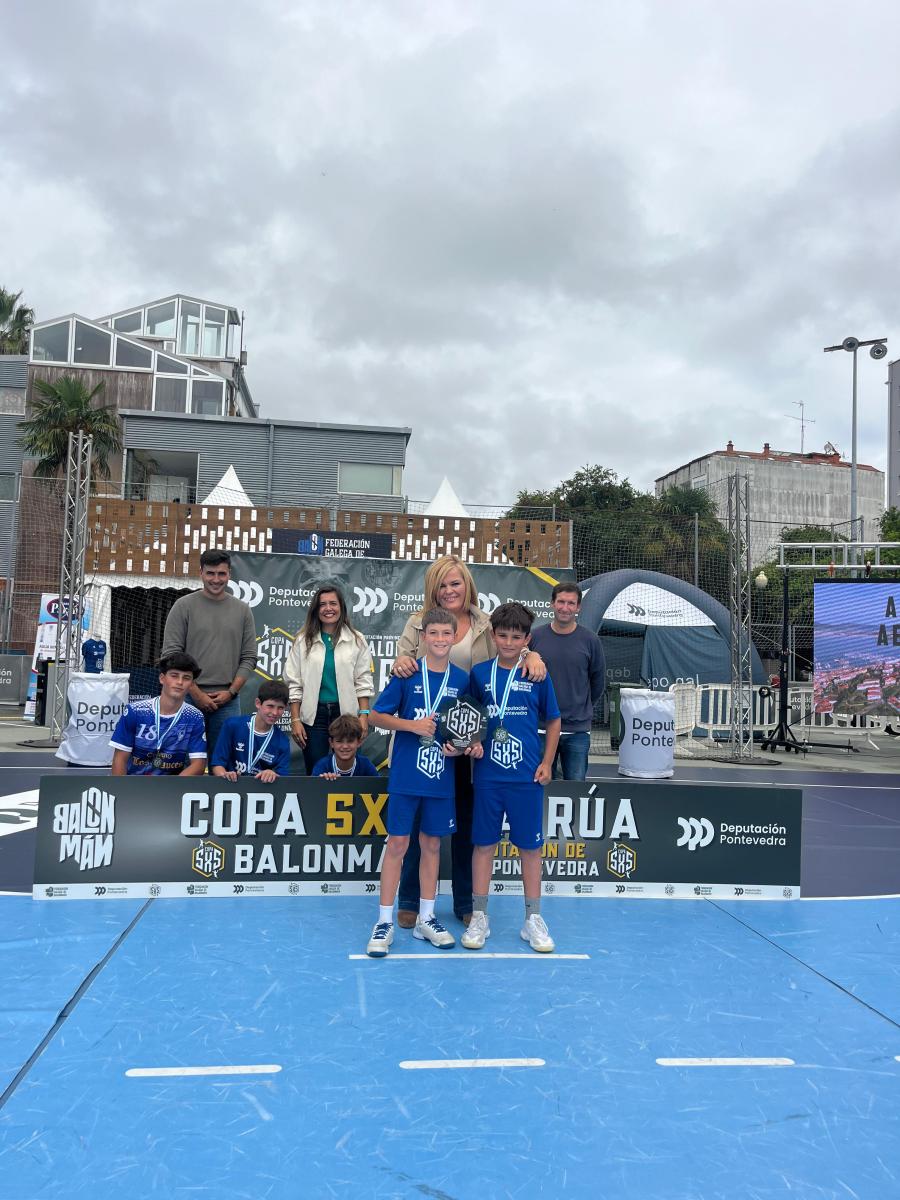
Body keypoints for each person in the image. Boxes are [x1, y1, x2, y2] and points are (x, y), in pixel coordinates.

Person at [391, 555, 546, 928]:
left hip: (473, 744)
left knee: (464, 823)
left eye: (455, 583)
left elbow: (512, 651)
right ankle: (410, 899)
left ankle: (466, 902)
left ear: (467, 586)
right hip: (427, 743)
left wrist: (534, 654)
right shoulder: (417, 622)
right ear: (433, 589)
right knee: (417, 827)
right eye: (442, 585)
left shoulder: (485, 623)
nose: (449, 591)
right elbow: (402, 662)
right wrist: (399, 662)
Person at [366, 609, 473, 957]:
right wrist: (412, 726)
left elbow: (466, 728)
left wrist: (460, 747)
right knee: (398, 844)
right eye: (434, 633)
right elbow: (376, 715)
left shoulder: (462, 680)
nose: (440, 639)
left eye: (446, 633)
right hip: (406, 775)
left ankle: (426, 918)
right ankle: (384, 921)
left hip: (441, 777)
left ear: (454, 637)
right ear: (423, 636)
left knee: (432, 845)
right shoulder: (407, 673)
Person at [464, 602, 561, 953]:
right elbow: (469, 718)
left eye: (516, 637)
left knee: (531, 848)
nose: (508, 642)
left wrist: (547, 762)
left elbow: (554, 720)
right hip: (488, 777)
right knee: (484, 845)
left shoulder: (537, 673)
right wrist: (473, 742)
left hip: (526, 776)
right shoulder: (480, 674)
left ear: (527, 639)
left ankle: (532, 918)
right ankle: (479, 916)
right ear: (493, 635)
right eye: (502, 636)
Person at [160, 549, 258, 751]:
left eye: (221, 574)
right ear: (201, 573)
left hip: (228, 701)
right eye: (210, 573)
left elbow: (249, 657)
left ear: (229, 574)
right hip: (185, 696)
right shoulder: (183, 606)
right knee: (179, 760)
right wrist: (195, 692)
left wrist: (231, 692)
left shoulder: (243, 610)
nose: (216, 579)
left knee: (223, 763)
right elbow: (171, 655)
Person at [283, 584, 374, 774]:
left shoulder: (357, 639)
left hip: (346, 714)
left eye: (333, 603)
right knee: (316, 771)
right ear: (316, 610)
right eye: (322, 604)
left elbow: (363, 680)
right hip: (313, 716)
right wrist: (296, 719)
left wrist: (364, 715)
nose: (328, 608)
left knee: (349, 770)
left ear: (341, 607)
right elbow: (294, 683)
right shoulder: (302, 640)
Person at [529, 582, 605, 780]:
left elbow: (598, 682)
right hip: (541, 727)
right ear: (552, 604)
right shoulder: (535, 637)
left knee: (576, 787)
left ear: (578, 607)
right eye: (561, 602)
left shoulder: (591, 640)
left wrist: (581, 707)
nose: (565, 608)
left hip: (577, 731)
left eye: (571, 603)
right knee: (540, 785)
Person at [110, 652, 207, 776]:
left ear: (192, 684)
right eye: (174, 676)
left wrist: (172, 786)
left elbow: (198, 765)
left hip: (172, 784)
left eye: (186, 678)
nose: (180, 682)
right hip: (134, 783)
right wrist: (123, 787)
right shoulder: (135, 711)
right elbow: (120, 759)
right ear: (162, 678)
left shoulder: (195, 716)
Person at [210, 680, 292, 783]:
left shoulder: (282, 741)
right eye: (270, 706)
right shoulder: (232, 725)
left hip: (262, 790)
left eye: (280, 708)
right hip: (230, 786)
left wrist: (272, 774)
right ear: (258, 703)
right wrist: (224, 775)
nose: (275, 712)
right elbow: (217, 764)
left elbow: (282, 778)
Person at [311, 714, 380, 779]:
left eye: (350, 741)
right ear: (331, 742)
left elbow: (378, 785)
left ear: (359, 742)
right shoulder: (322, 766)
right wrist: (323, 782)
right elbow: (313, 786)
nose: (345, 746)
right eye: (339, 741)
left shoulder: (366, 765)